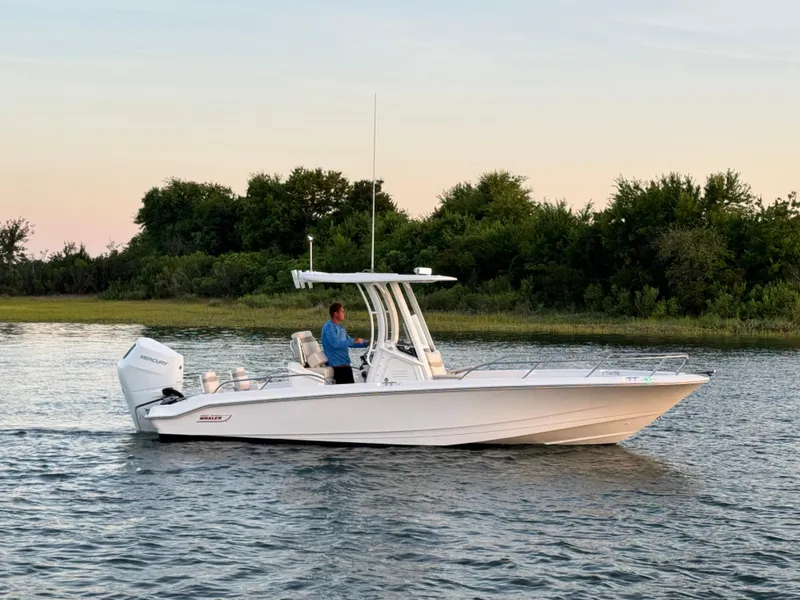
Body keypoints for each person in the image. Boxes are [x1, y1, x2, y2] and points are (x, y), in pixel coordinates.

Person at [321, 302, 369, 384]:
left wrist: (366, 343)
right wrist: (353, 340)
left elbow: (350, 343)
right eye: (342, 312)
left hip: (345, 365)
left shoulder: (340, 327)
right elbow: (335, 344)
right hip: (337, 367)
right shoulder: (328, 327)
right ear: (336, 314)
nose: (344, 314)